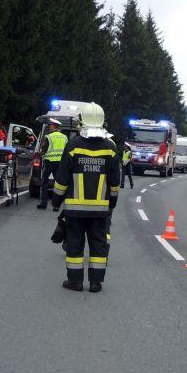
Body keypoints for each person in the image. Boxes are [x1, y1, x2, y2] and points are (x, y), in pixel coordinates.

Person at [50, 102, 120, 293]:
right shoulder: (110, 148)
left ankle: (75, 282)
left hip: (75, 209)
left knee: (75, 244)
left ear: (82, 122)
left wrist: (56, 201)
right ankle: (96, 283)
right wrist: (112, 202)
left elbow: (62, 178)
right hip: (100, 210)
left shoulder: (73, 145)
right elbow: (115, 181)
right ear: (102, 122)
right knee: (98, 245)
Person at [36, 119, 67, 210]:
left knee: (44, 182)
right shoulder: (64, 137)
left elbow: (44, 151)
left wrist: (39, 153)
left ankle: (43, 204)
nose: (49, 127)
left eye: (50, 126)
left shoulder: (49, 137)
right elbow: (67, 150)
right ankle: (56, 205)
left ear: (53, 126)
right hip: (60, 163)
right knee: (58, 184)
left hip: (49, 162)